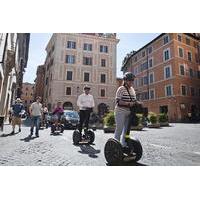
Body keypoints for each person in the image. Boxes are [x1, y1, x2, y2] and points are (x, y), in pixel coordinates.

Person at [114, 72, 141, 151]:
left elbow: (134, 100)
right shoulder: (121, 89)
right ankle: (116, 147)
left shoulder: (132, 90)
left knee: (126, 131)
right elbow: (118, 102)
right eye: (130, 80)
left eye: (132, 80)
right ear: (125, 80)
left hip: (129, 112)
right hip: (120, 111)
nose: (131, 82)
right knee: (119, 129)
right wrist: (129, 103)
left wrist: (138, 103)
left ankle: (124, 146)